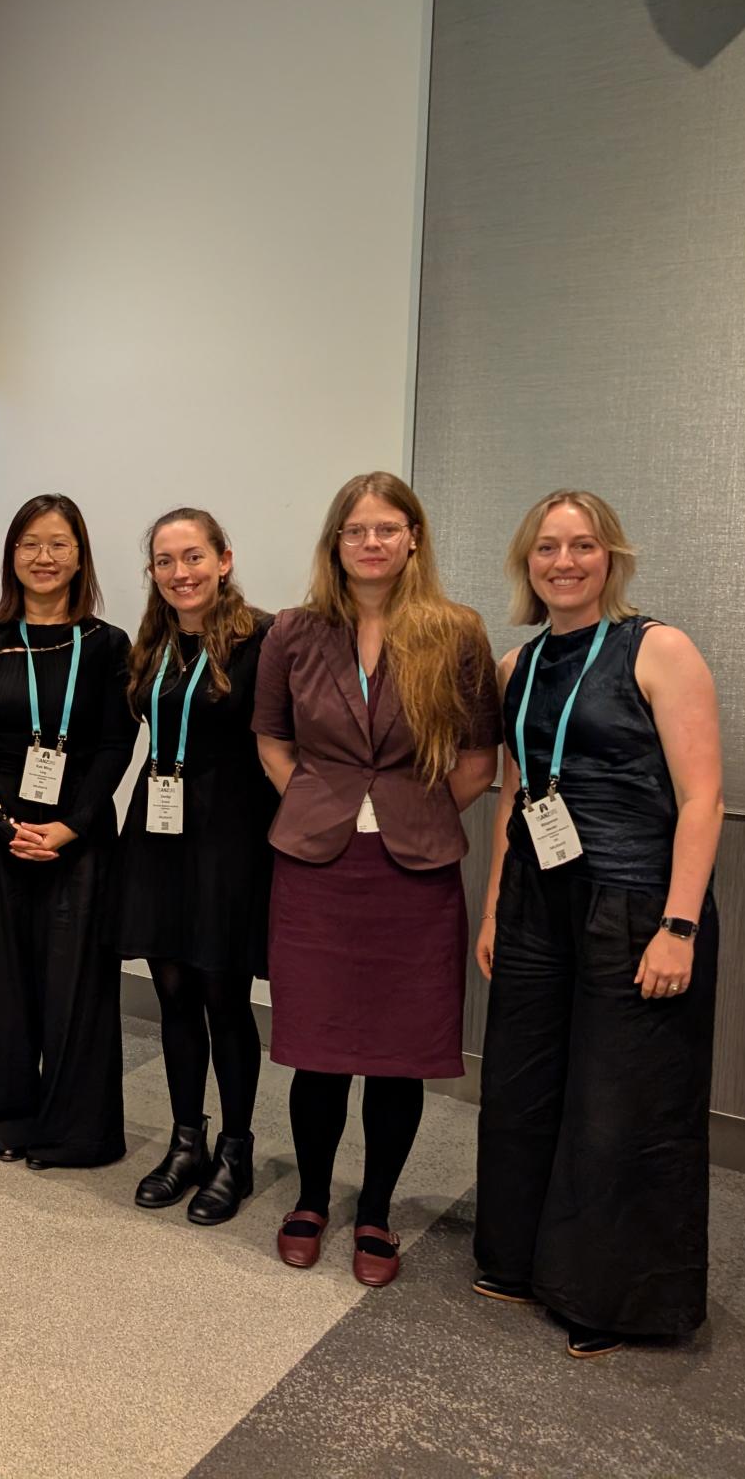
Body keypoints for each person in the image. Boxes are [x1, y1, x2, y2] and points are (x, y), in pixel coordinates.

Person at [472, 491, 723, 1359]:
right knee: (523, 1084)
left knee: (620, 1104)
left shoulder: (659, 649)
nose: (564, 562)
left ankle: (610, 1297)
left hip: (634, 903)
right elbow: (514, 793)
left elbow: (703, 799)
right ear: (527, 563)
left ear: (610, 558)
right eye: (547, 548)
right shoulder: (518, 666)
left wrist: (680, 927)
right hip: (540, 905)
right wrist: (497, 906)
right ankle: (519, 1258)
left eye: (582, 546)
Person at [253, 471, 498, 1287]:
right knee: (318, 1051)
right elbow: (272, 739)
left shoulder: (456, 633)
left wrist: (410, 812)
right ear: (336, 543)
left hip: (413, 876)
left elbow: (475, 759)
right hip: (317, 872)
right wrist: (323, 803)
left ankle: (378, 1211)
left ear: (413, 539)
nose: (371, 542)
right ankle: (313, 1199)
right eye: (355, 530)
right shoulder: (293, 631)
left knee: (399, 1055)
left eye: (387, 528)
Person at [0, 495, 135, 1167]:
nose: (44, 557)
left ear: (81, 555)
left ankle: (73, 1131)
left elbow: (116, 744)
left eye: (58, 543)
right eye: (30, 542)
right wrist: (5, 825)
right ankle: (0, 1120)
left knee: (76, 986)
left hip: (78, 840)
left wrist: (69, 826)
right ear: (11, 555)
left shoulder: (108, 645)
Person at [116, 509, 279, 1222]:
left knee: (222, 995)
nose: (180, 573)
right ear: (152, 572)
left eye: (193, 557)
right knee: (173, 991)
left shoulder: (262, 640)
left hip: (228, 834)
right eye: (165, 561)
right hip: (157, 830)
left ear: (224, 559)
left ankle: (236, 1154)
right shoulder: (153, 642)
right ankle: (188, 1141)